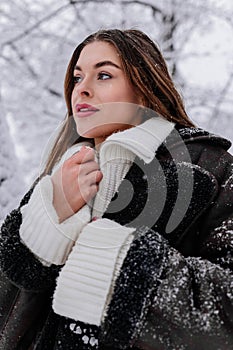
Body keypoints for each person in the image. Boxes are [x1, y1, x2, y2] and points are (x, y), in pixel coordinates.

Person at [0, 28, 232, 350]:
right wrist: (47, 227)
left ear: (144, 88)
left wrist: (121, 264)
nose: (82, 90)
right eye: (78, 78)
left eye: (104, 75)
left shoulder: (211, 168)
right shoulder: (54, 184)